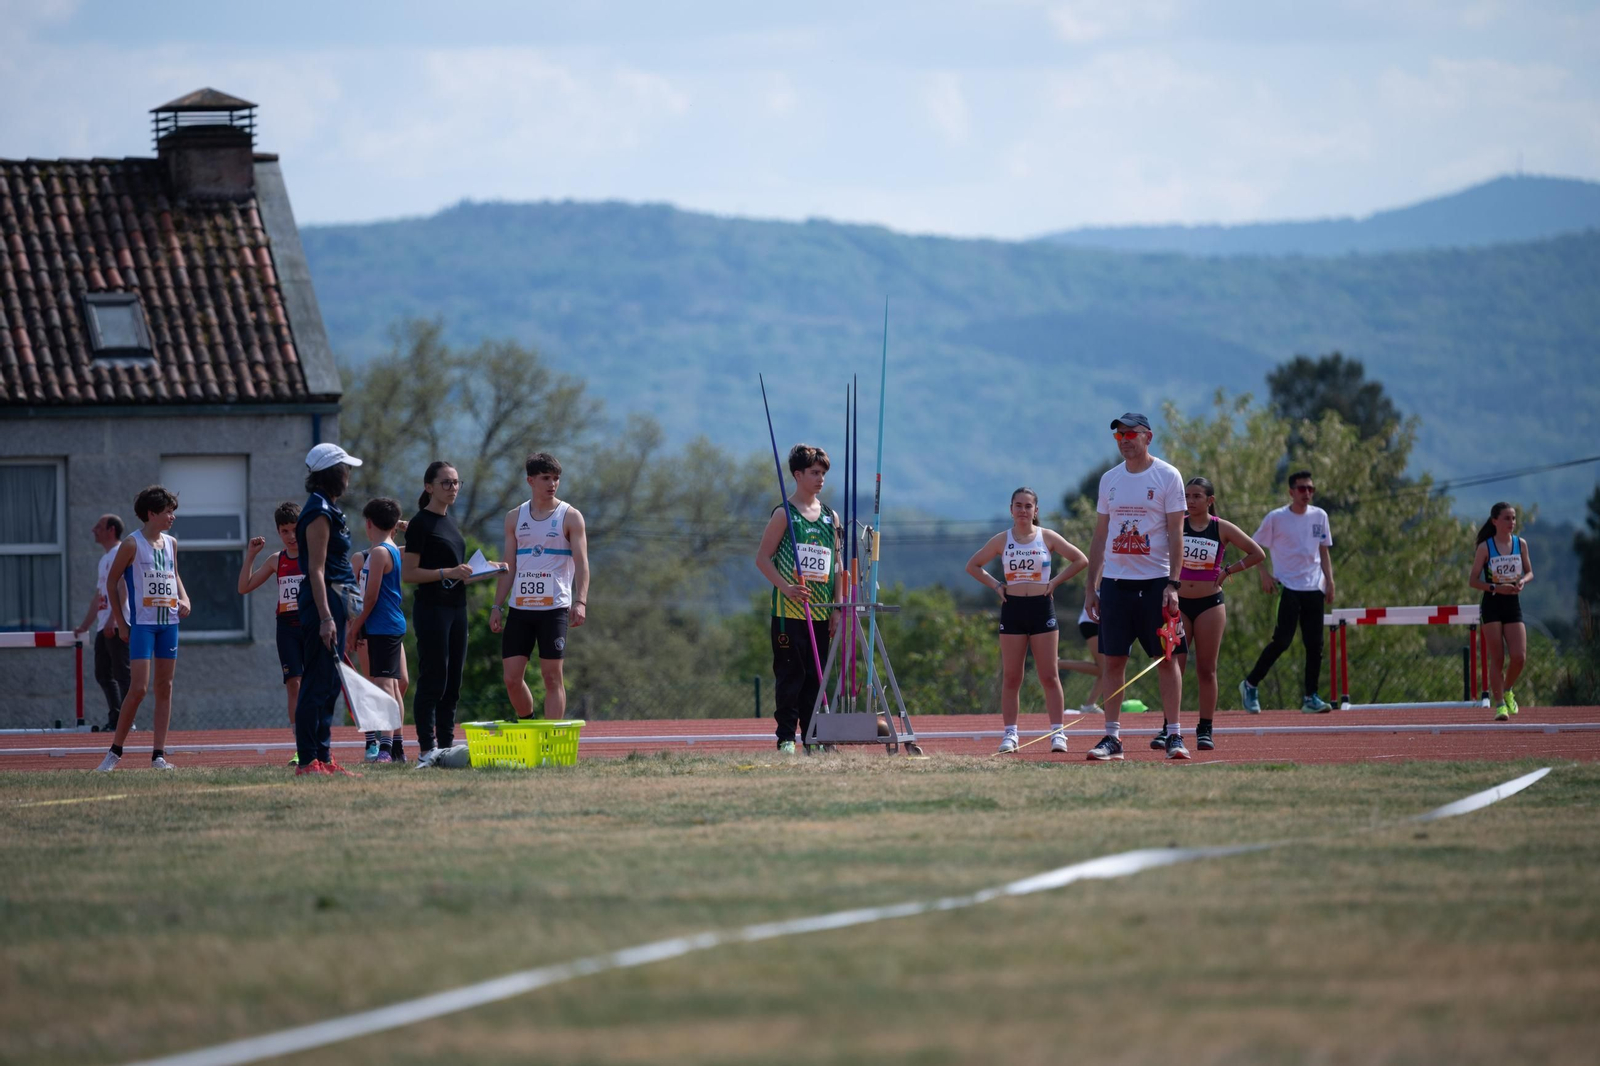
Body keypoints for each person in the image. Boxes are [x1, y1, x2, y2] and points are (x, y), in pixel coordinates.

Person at [1082, 413, 1189, 761]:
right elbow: (1100, 535)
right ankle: (1112, 738)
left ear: (1148, 437)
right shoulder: (1109, 480)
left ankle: (1173, 733)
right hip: (1115, 584)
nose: (1125, 439)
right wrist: (1091, 586)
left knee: (1166, 658)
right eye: (1119, 435)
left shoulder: (1167, 476)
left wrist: (1173, 583)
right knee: (1112, 661)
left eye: (1131, 433)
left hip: (1156, 584)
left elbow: (1177, 533)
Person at [966, 487, 1088, 753]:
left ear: (1036, 511)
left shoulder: (1047, 537)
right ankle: (1010, 735)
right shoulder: (1002, 540)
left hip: (1042, 608)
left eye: (1028, 506)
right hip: (1013, 609)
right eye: (1018, 505)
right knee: (1012, 676)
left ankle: (1058, 733)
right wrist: (997, 585)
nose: (1023, 511)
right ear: (1011, 510)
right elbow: (973, 565)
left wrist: (1054, 582)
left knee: (1049, 675)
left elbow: (1081, 560)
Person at [1153, 477, 1264, 752]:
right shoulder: (1176, 525)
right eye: (1186, 496)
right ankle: (1170, 726)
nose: (1190, 501)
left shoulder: (1221, 528)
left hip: (1209, 604)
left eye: (1196, 496)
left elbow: (1257, 553)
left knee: (1206, 668)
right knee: (1173, 665)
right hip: (1178, 605)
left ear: (1210, 500)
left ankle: (1205, 728)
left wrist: (1227, 571)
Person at [755, 444, 841, 754]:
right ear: (798, 475)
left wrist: (837, 608)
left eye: (823, 474)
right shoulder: (784, 514)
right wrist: (786, 587)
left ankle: (815, 738)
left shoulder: (831, 517)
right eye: (815, 473)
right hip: (788, 612)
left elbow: (837, 565)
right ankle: (786, 739)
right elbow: (762, 559)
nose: (820, 479)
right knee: (791, 675)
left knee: (815, 680)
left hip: (819, 611)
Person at [95, 488, 189, 771]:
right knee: (138, 689)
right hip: (143, 626)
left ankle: (158, 755)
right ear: (151, 513)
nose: (172, 517)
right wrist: (122, 623)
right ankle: (114, 752)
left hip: (169, 624)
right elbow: (112, 583)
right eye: (168, 511)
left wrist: (185, 598)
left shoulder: (171, 543)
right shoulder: (131, 544)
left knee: (166, 687)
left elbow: (174, 575)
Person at [492, 453, 587, 720]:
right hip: (520, 609)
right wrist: (496, 606)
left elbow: (582, 563)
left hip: (553, 609)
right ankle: (528, 721)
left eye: (556, 478)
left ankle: (551, 739)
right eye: (546, 478)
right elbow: (508, 565)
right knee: (511, 678)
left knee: (552, 678)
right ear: (530, 480)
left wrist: (580, 601)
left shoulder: (570, 517)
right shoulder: (514, 517)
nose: (552, 484)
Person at [292, 443, 364, 777]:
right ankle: (307, 760)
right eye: (345, 468)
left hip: (335, 601)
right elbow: (316, 570)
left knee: (330, 684)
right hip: (322, 603)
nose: (349, 474)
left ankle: (323, 756)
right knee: (316, 682)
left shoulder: (330, 508)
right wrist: (325, 617)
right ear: (333, 473)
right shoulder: (318, 511)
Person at [1239, 470, 1336, 714]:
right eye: (1302, 489)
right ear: (1291, 492)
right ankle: (1250, 684)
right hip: (1288, 587)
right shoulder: (1276, 518)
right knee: (1282, 641)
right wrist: (1263, 574)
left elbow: (1323, 551)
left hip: (1314, 587)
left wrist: (1330, 581)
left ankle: (1310, 697)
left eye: (1310, 489)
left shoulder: (1320, 516)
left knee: (1315, 645)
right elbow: (1253, 546)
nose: (1306, 493)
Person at [403, 461, 477, 767]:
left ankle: (445, 747)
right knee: (434, 677)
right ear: (429, 486)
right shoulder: (421, 523)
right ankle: (426, 749)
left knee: (453, 681)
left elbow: (455, 572)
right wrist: (449, 571)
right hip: (432, 608)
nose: (453, 488)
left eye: (457, 482)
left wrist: (486, 572)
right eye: (446, 483)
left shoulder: (450, 522)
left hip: (457, 607)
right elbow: (409, 573)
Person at [238, 502, 305, 763]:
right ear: (278, 532)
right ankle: (301, 747)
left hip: (311, 627)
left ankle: (320, 743)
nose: (291, 536)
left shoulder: (313, 557)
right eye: (285, 531)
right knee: (294, 685)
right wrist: (251, 556)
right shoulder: (277, 560)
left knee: (313, 687)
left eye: (295, 530)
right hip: (287, 628)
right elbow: (244, 587)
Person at [347, 498, 409, 760]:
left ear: (368, 524)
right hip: (381, 624)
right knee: (386, 685)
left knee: (387, 684)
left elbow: (370, 598)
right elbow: (357, 595)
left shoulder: (382, 552)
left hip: (381, 625)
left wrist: (354, 628)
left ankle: (387, 747)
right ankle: (389, 745)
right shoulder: (378, 552)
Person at [1467, 502, 1533, 720]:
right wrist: (1496, 587)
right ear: (1494, 521)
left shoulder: (1520, 544)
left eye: (1513, 518)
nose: (1511, 523)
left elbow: (1530, 571)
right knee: (1497, 658)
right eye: (1506, 518)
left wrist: (1522, 581)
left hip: (1513, 603)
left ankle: (1507, 689)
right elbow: (1473, 581)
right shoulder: (1486, 547)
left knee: (1519, 657)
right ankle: (1499, 706)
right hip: (1493, 603)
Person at [73, 514, 129, 733]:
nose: (93, 530)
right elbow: (99, 596)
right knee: (103, 673)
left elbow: (123, 587)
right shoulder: (104, 558)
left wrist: (114, 620)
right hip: (104, 625)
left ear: (111, 530)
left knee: (123, 674)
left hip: (116, 624)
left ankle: (126, 721)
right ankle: (116, 719)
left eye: (98, 526)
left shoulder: (120, 553)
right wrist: (85, 625)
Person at [1060, 597, 1107, 713]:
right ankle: (1057, 663)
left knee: (1105, 670)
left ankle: (1090, 705)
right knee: (1106, 669)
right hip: (1093, 622)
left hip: (1103, 622)